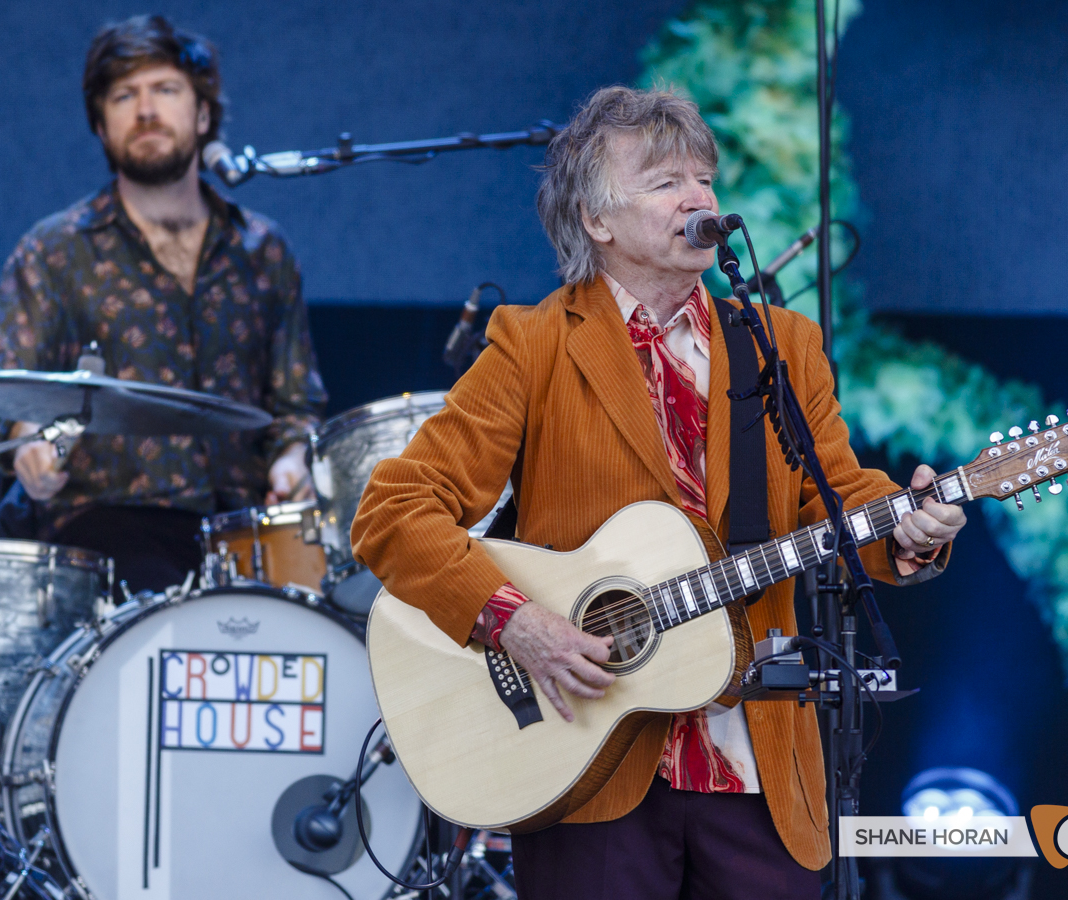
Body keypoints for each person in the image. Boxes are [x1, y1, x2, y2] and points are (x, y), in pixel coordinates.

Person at [350, 86, 967, 899]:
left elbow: (836, 497)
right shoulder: (532, 345)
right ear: (596, 221)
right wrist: (517, 622)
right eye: (666, 180)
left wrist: (913, 533)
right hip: (588, 766)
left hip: (758, 763)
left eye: (705, 178)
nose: (700, 198)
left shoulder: (783, 346)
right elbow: (393, 511)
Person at [0, 15, 327, 594]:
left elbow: (295, 405)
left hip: (240, 531)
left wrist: (293, 460)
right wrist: (31, 443)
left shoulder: (264, 250)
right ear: (101, 125)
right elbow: (4, 398)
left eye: (165, 90)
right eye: (123, 95)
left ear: (204, 114)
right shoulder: (54, 251)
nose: (145, 111)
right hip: (101, 529)